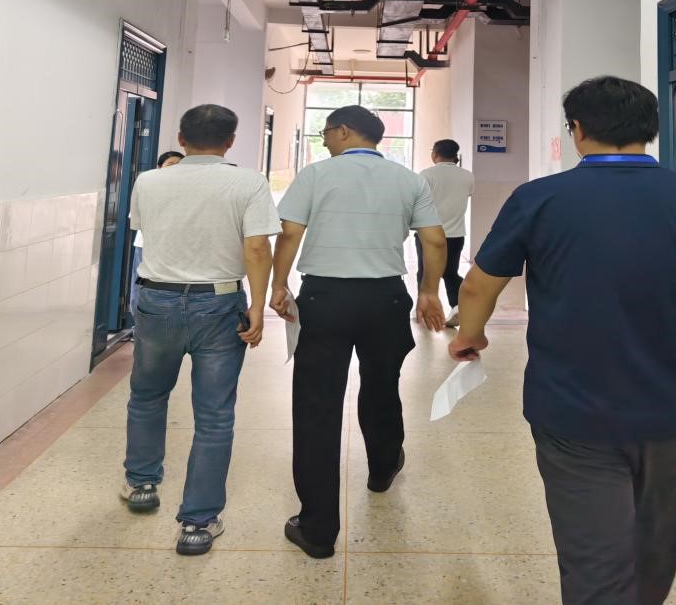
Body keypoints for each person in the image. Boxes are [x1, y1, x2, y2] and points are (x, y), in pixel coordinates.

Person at [450, 76, 676, 605]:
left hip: (574, 411)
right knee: (654, 546)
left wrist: (469, 337)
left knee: (595, 562)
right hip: (675, 410)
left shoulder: (539, 199)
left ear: (578, 130)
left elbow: (477, 285)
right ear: (650, 130)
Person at [270, 104, 449, 559]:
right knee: (382, 385)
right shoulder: (409, 180)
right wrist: (429, 290)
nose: (325, 139)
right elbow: (433, 239)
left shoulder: (316, 174)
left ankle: (317, 530)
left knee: (317, 404)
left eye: (327, 132)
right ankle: (383, 466)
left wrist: (279, 283)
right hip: (386, 298)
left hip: (325, 297)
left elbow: (289, 232)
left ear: (345, 132)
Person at [120, 105, 281, 557]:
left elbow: (145, 231)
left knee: (147, 397)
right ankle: (198, 522)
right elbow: (256, 247)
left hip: (157, 300)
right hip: (219, 302)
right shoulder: (249, 182)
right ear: (231, 140)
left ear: (181, 138)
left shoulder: (149, 181)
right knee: (214, 415)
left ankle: (142, 484)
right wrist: (257, 305)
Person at [417, 138, 474, 328]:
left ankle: (424, 310)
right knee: (450, 272)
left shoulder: (426, 175)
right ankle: (457, 306)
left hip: (429, 233)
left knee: (425, 272)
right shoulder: (468, 176)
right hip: (456, 234)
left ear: (435, 154)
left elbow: (419, 202)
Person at [128, 151, 184, 319]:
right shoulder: (147, 185)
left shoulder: (187, 189)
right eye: (170, 164)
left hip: (176, 246)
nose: (175, 168)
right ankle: (138, 322)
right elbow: (136, 219)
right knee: (141, 284)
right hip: (147, 244)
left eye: (179, 165)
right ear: (159, 167)